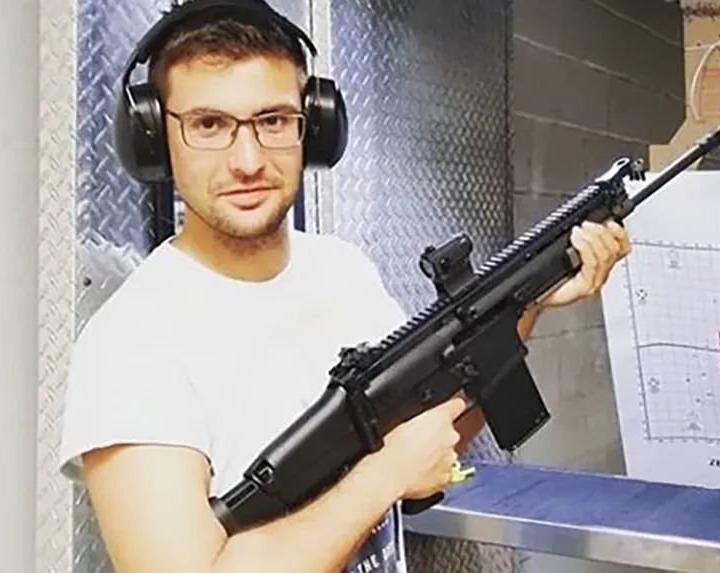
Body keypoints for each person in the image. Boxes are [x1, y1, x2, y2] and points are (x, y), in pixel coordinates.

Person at [57, 1, 632, 573]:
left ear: (315, 128)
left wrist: (522, 304)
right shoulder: (129, 346)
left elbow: (431, 430)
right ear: (155, 138)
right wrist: (383, 478)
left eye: (273, 121)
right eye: (209, 125)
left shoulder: (339, 269)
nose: (249, 159)